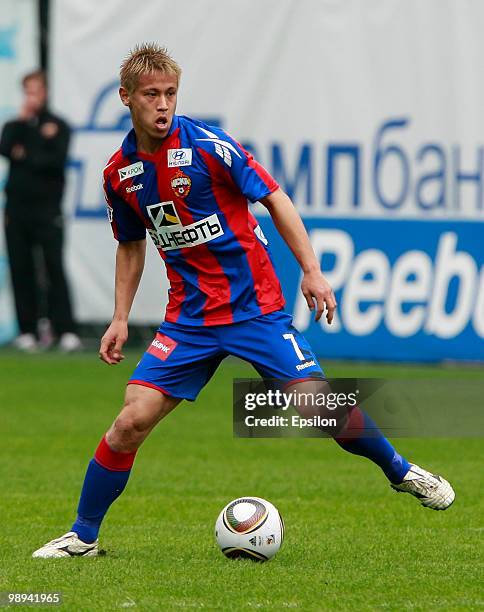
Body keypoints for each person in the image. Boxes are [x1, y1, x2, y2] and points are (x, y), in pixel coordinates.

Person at [32, 44, 454, 558]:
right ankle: (83, 537)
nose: (163, 105)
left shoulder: (210, 147)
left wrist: (313, 271)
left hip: (254, 309)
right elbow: (130, 243)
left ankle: (401, 471)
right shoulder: (121, 172)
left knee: (321, 407)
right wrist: (120, 317)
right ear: (126, 98)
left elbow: (274, 197)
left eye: (170, 94)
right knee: (130, 421)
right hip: (189, 320)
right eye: (151, 95)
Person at [0, 70, 81, 352]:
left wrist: (27, 153)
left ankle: (66, 329)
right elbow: (6, 147)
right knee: (21, 269)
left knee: (53, 267)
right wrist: (28, 131)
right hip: (16, 211)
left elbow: (54, 160)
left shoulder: (58, 125)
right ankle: (28, 331)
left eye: (36, 90)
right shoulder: (16, 125)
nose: (31, 97)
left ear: (45, 92)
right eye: (27, 91)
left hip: (47, 210)